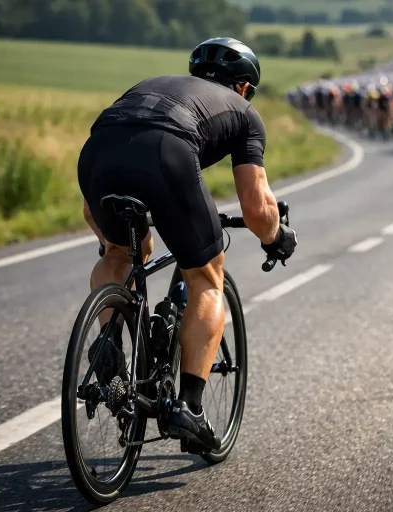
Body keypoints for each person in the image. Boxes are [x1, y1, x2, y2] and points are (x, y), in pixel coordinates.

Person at [77, 37, 297, 451]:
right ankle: (190, 410)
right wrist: (277, 237)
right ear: (245, 88)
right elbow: (255, 207)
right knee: (208, 278)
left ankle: (109, 345)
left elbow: (92, 212)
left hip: (98, 152)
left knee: (120, 253)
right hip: (166, 152)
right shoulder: (245, 113)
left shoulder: (159, 84)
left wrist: (111, 239)